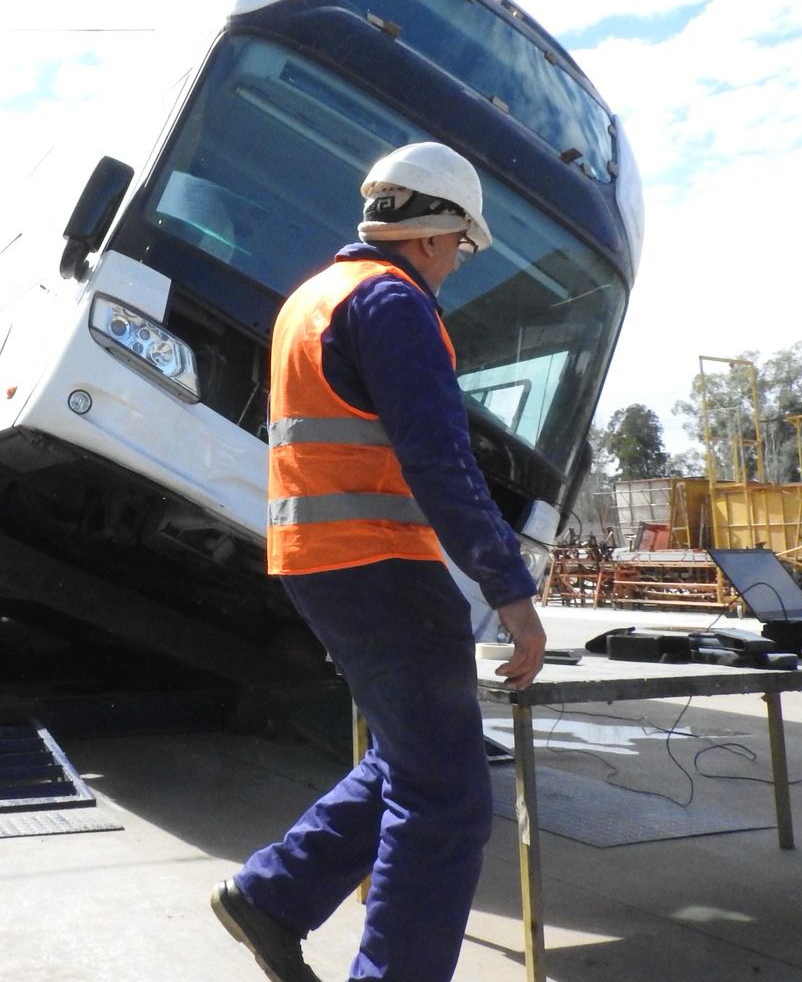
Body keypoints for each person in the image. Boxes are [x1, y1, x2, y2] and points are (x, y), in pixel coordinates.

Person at [211, 142, 546, 982]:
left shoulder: (314, 297)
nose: (457, 265)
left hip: (319, 559)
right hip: (382, 564)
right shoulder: (393, 302)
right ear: (436, 233)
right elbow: (440, 461)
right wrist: (512, 590)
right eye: (463, 247)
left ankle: (272, 897)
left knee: (411, 756)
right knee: (448, 802)